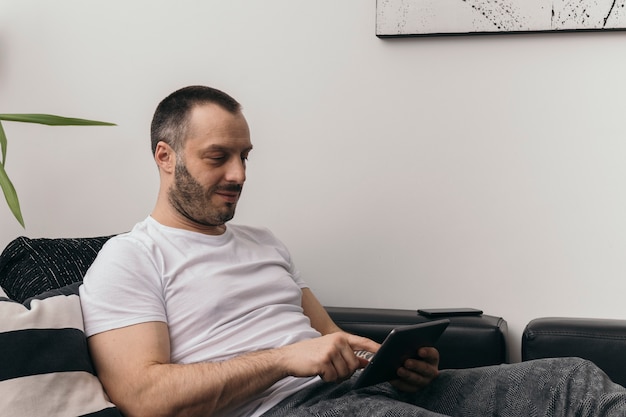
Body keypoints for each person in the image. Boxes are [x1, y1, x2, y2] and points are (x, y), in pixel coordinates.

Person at [80, 85, 626, 417]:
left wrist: (393, 363)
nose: (239, 174)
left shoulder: (265, 244)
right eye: (219, 156)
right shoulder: (130, 258)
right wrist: (280, 360)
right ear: (164, 155)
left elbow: (335, 344)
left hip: (358, 397)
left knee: (570, 380)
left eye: (246, 156)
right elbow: (143, 397)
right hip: (279, 411)